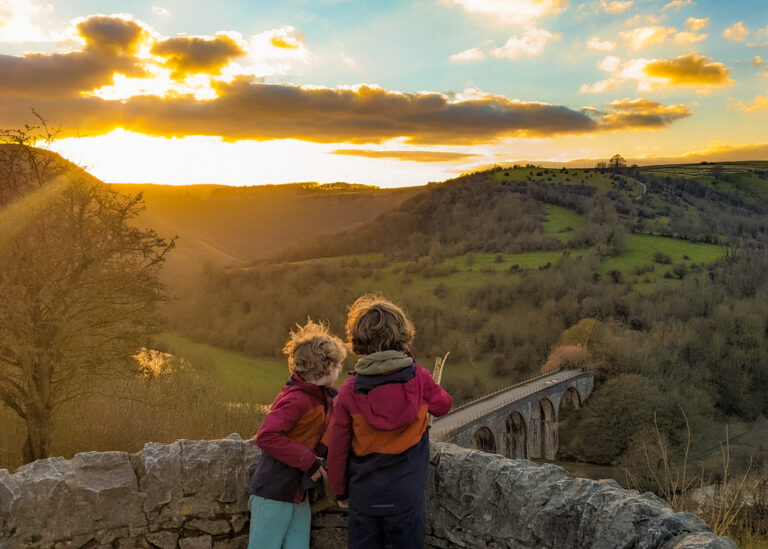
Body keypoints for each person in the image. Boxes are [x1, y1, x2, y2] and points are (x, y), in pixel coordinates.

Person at [328, 294, 452, 549]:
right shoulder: (419, 378)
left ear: (358, 342)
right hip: (406, 497)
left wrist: (339, 491)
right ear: (403, 337)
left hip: (364, 498)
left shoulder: (349, 392)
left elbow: (337, 450)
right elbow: (444, 406)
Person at [247, 320, 347, 549]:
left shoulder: (324, 399)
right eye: (338, 365)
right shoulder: (296, 398)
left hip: (298, 494)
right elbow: (267, 436)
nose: (339, 370)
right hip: (273, 493)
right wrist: (310, 462)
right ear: (326, 367)